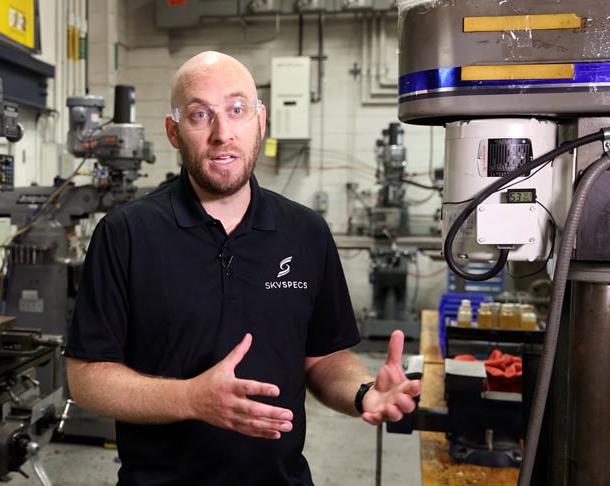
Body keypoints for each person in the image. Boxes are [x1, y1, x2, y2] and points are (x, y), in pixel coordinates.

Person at [64, 50, 422, 486]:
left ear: (261, 121)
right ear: (174, 133)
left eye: (237, 110)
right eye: (200, 115)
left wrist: (365, 392)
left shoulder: (306, 232)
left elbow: (323, 358)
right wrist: (190, 399)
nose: (222, 133)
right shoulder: (125, 235)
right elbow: (86, 378)